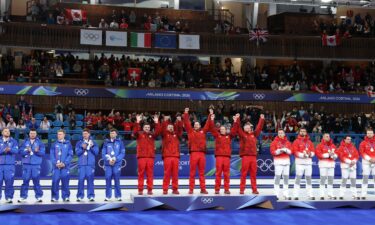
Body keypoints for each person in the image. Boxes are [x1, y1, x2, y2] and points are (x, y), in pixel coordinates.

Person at [233, 113, 265, 194]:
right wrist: (237, 119)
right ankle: (241, 189)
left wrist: (261, 119)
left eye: (247, 126)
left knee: (253, 174)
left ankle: (254, 189)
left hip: (253, 157)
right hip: (245, 157)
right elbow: (238, 128)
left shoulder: (254, 134)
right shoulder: (242, 134)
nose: (246, 127)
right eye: (245, 126)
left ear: (250, 128)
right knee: (243, 174)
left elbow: (259, 128)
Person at [183, 107, 212, 194]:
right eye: (195, 125)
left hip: (202, 154)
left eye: (197, 125)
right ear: (193, 126)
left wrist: (210, 114)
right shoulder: (190, 131)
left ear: (200, 126)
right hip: (194, 153)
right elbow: (186, 122)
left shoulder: (203, 131)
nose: (196, 126)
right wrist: (186, 113)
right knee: (192, 173)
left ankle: (203, 189)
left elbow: (208, 123)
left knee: (202, 173)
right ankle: (191, 189)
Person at [132, 114, 161, 195]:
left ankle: (150, 189)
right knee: (141, 174)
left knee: (150, 174)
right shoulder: (139, 134)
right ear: (143, 128)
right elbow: (134, 132)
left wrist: (156, 122)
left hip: (150, 157)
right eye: (145, 127)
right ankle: (140, 190)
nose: (147, 129)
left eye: (148, 127)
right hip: (141, 157)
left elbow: (158, 131)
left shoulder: (152, 135)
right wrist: (137, 122)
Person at [209, 113, 237, 194]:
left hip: (227, 157)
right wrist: (211, 119)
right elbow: (212, 128)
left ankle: (226, 189)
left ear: (226, 130)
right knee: (218, 174)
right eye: (220, 129)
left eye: (223, 129)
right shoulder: (217, 136)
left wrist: (235, 121)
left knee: (226, 174)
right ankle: (217, 189)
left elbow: (234, 130)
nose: (222, 130)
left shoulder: (229, 136)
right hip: (219, 157)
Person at [19, 129, 45, 203]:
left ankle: (38, 196)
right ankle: (23, 196)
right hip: (26, 164)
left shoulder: (40, 143)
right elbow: (20, 152)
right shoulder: (24, 142)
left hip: (35, 164)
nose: (32, 134)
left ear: (36, 134)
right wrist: (27, 151)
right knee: (25, 180)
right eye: (31, 133)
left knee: (36, 181)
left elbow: (43, 153)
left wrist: (37, 151)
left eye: (34, 133)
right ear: (29, 134)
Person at [160, 115, 183, 195]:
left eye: (171, 127)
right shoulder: (164, 135)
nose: (170, 128)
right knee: (167, 174)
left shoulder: (176, 135)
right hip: (167, 156)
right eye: (169, 127)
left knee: (175, 174)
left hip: (176, 156)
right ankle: (165, 189)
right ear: (166, 128)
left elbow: (180, 130)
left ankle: (175, 189)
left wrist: (180, 121)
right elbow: (162, 129)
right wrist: (165, 121)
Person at [75, 129, 99, 202]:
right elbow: (77, 153)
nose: (84, 135)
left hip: (90, 165)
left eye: (86, 133)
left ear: (89, 134)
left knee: (90, 181)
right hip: (81, 164)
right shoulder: (79, 143)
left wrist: (91, 147)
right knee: (80, 180)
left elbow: (96, 152)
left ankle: (91, 196)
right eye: (83, 134)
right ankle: (80, 196)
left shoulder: (93, 142)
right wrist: (83, 148)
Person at [102, 129, 125, 201]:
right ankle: (108, 196)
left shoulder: (120, 142)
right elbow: (103, 152)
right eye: (111, 133)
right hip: (108, 164)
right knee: (108, 178)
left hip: (117, 164)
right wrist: (108, 159)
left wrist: (116, 159)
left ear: (116, 134)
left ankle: (118, 196)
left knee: (117, 179)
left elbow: (122, 152)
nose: (112, 134)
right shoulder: (106, 142)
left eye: (113, 133)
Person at [292, 128, 315, 200]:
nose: (302, 132)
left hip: (308, 163)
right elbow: (294, 151)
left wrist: (310, 153)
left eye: (304, 131)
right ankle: (295, 195)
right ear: (299, 132)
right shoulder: (296, 141)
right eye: (301, 131)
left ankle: (310, 194)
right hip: (299, 163)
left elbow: (313, 151)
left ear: (306, 132)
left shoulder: (310, 142)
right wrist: (302, 155)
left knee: (309, 179)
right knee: (298, 179)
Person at [50, 129, 73, 202]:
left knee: (65, 182)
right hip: (56, 167)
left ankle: (66, 196)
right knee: (55, 181)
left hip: (65, 167)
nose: (59, 135)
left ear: (64, 135)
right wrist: (55, 163)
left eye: (60, 134)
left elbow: (70, 155)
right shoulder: (54, 144)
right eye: (58, 134)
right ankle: (54, 197)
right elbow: (52, 155)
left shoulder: (68, 143)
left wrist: (64, 163)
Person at [270, 129, 292, 200]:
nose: (280, 134)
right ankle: (276, 194)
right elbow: (272, 152)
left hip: (286, 163)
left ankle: (286, 194)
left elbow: (291, 152)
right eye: (279, 133)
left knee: (286, 179)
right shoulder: (274, 142)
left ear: (284, 134)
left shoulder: (288, 142)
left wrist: (286, 150)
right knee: (277, 179)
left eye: (281, 133)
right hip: (278, 163)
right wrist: (279, 150)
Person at [315, 133, 338, 200]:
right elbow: (319, 155)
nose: (328, 137)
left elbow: (336, 155)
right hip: (323, 165)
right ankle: (322, 194)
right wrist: (328, 154)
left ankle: (330, 194)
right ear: (323, 137)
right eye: (326, 136)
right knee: (323, 179)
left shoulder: (333, 145)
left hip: (331, 165)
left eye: (328, 136)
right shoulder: (319, 145)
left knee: (330, 180)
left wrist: (333, 155)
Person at [337, 136, 359, 200]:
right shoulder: (341, 147)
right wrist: (349, 161)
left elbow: (357, 155)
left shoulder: (353, 147)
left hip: (353, 166)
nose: (349, 140)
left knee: (353, 180)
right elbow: (341, 156)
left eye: (350, 139)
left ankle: (354, 194)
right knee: (344, 180)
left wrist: (354, 161)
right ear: (344, 140)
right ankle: (341, 194)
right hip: (345, 166)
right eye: (348, 139)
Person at [0, 128, 19, 203]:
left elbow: (16, 150)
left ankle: (9, 197)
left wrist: (10, 149)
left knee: (9, 181)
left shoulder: (13, 141)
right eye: (5, 131)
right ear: (2, 133)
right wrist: (3, 150)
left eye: (8, 131)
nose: (7, 132)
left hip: (9, 165)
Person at [359, 128, 375, 199]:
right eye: (368, 133)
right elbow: (362, 153)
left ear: (373, 134)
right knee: (365, 178)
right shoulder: (363, 143)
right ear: (366, 134)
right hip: (366, 163)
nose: (369, 134)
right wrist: (369, 159)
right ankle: (363, 194)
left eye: (371, 133)